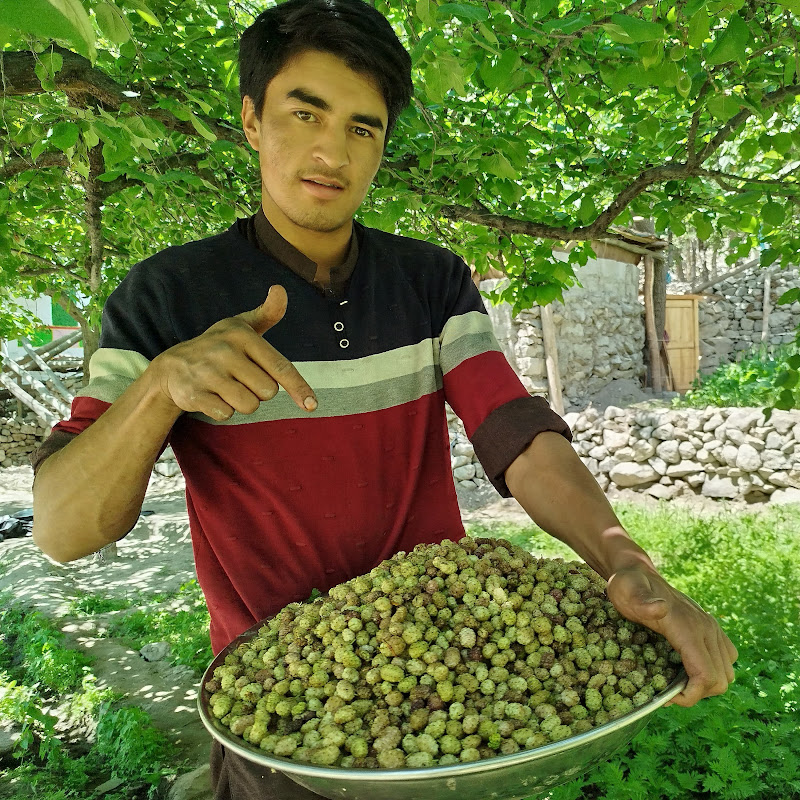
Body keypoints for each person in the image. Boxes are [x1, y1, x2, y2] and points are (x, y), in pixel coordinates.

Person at [30, 1, 737, 797]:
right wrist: (161, 385)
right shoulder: (163, 296)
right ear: (252, 120)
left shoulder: (430, 281)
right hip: (283, 706)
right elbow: (61, 529)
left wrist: (623, 562)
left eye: (363, 128)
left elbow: (516, 433)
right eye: (306, 112)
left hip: (457, 687)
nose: (332, 150)